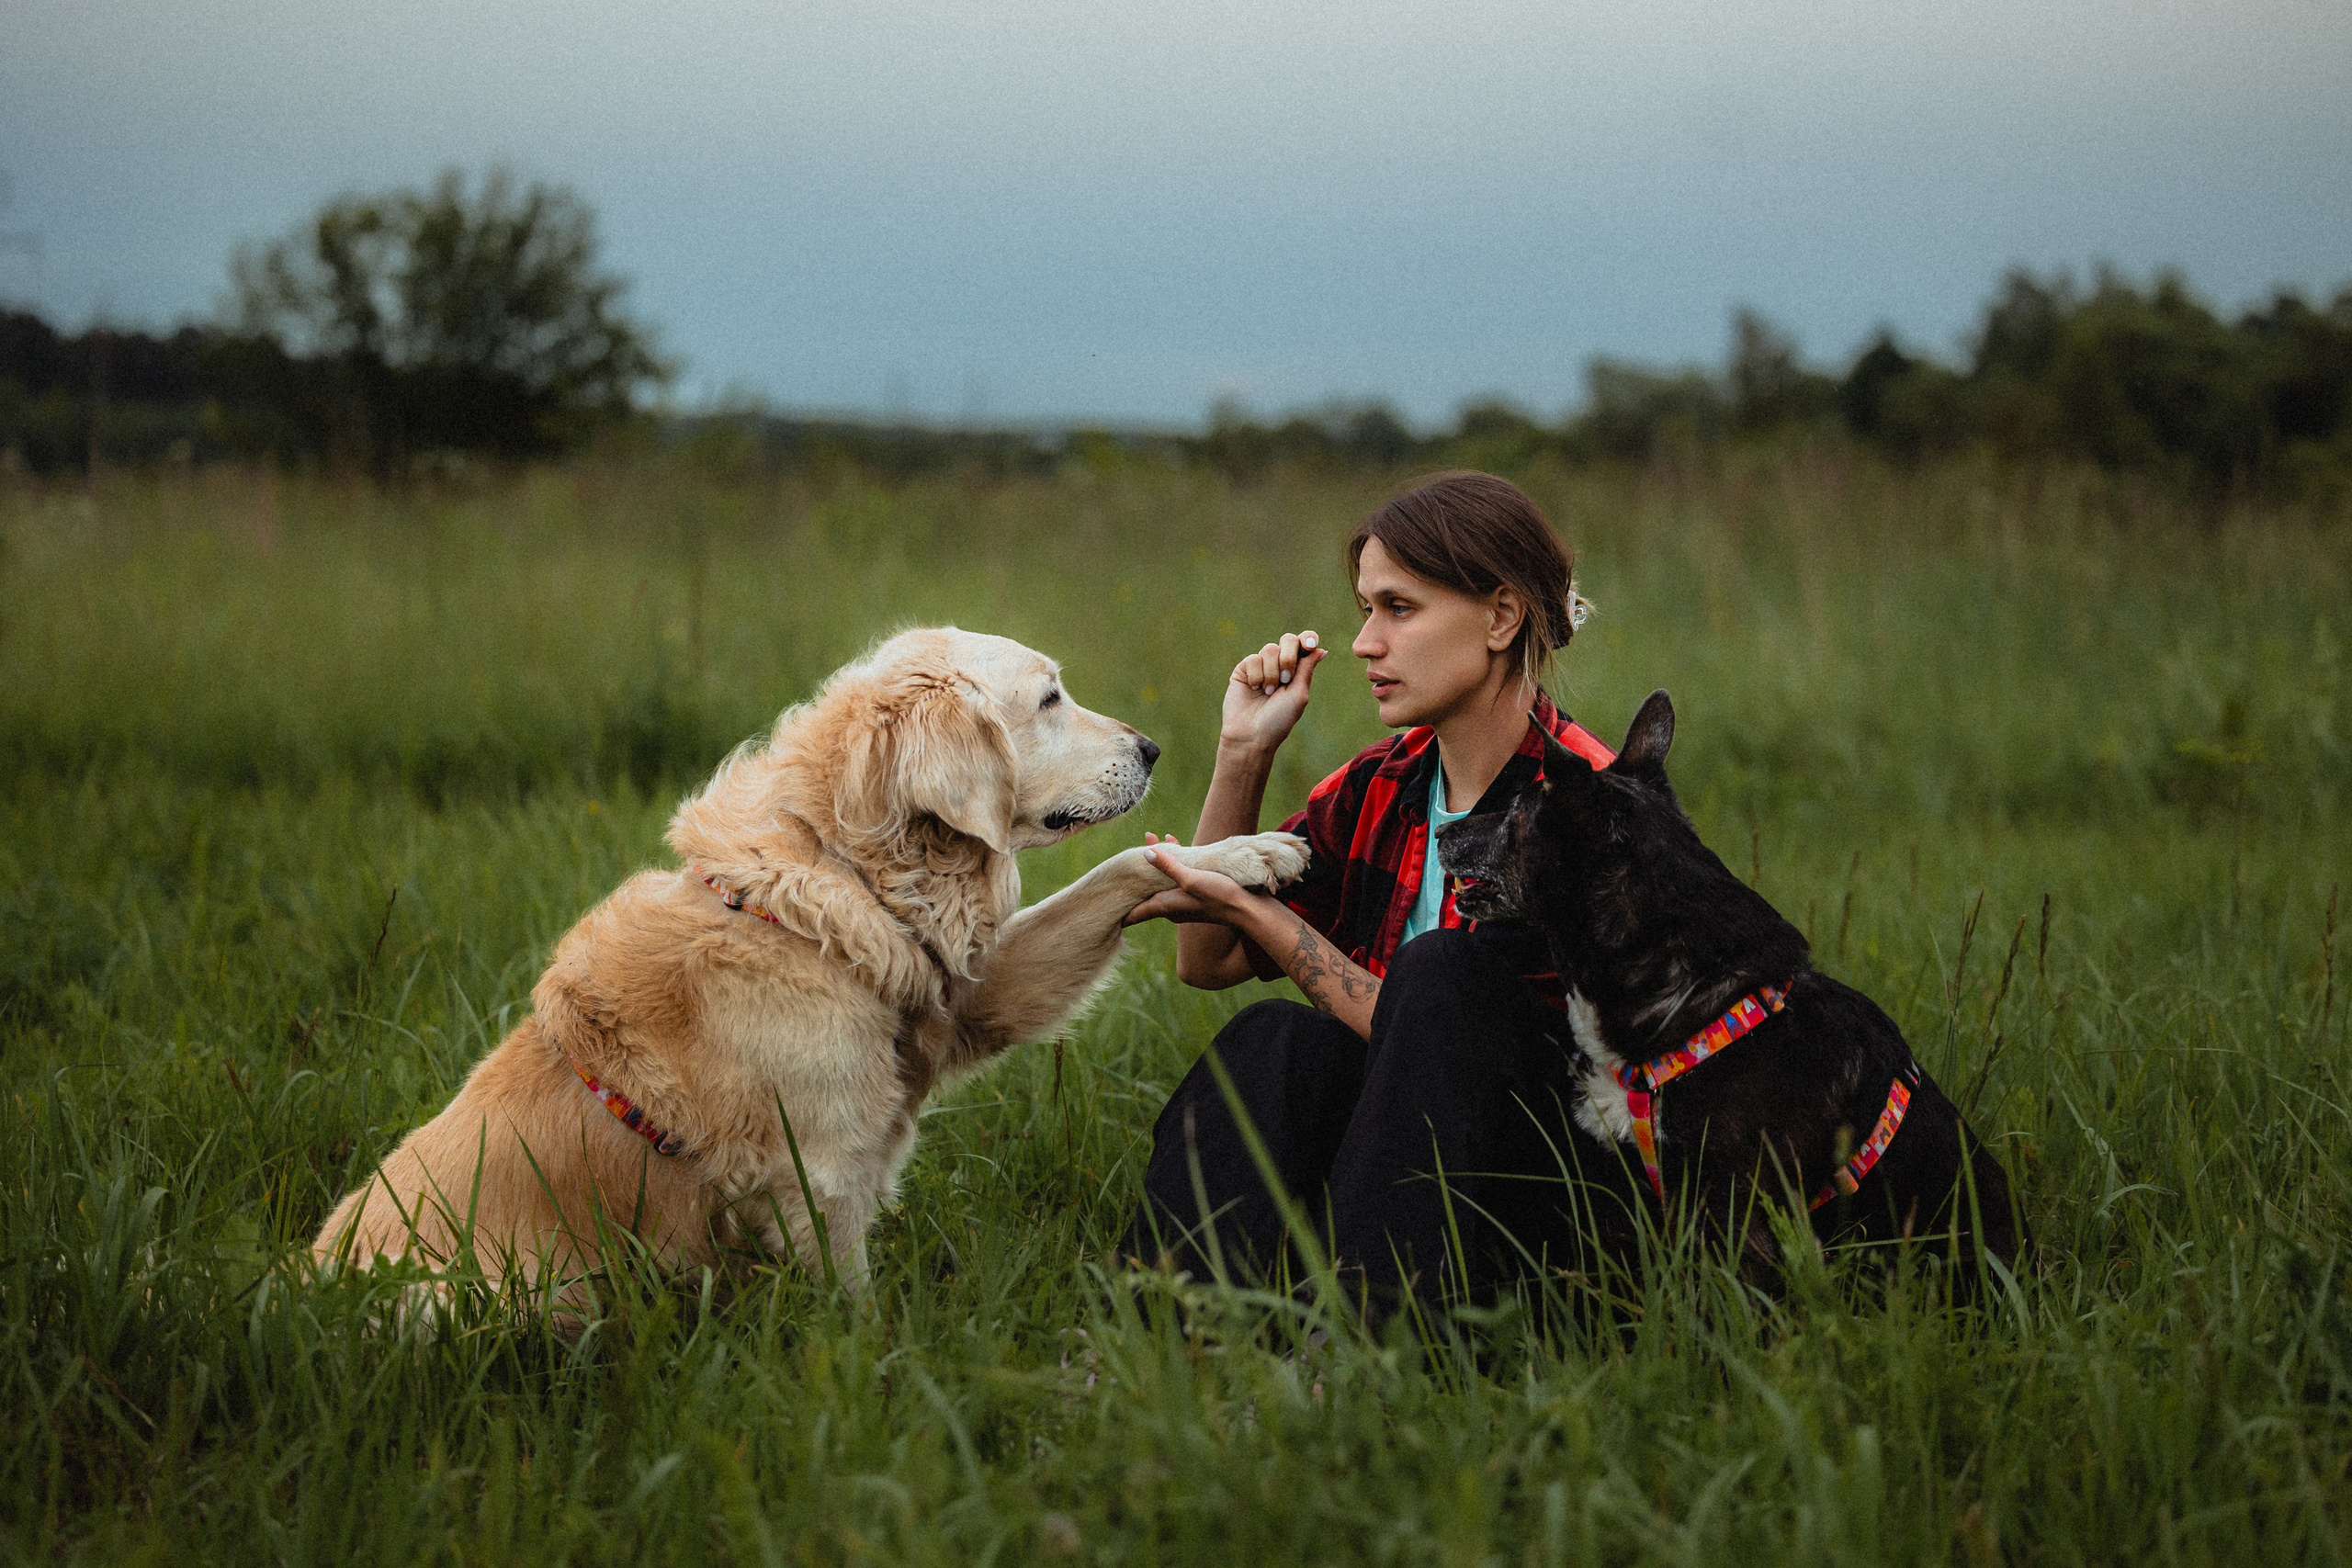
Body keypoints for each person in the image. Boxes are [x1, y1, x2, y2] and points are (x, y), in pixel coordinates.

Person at [1120, 470, 1639, 1307]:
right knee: (1272, 1040)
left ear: (1501, 617)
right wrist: (1243, 752)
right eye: (1366, 609)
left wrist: (1257, 909)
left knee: (1440, 974)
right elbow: (1207, 957)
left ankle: (1364, 1343)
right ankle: (1172, 1323)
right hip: (1397, 1176)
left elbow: (1440, 1024)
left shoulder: (1586, 805)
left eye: (1398, 608)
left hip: (1549, 1197)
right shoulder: (1383, 787)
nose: (1365, 641)